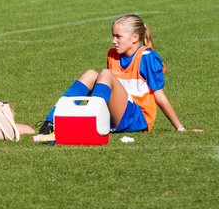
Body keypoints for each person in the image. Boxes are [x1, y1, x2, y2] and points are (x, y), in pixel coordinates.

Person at [36, 13, 192, 138]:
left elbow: (159, 96)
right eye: (113, 36)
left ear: (135, 38)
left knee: (105, 73)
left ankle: (91, 123)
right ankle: (50, 123)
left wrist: (180, 127)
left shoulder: (147, 57)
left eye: (118, 36)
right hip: (117, 113)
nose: (113, 41)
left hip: (137, 118)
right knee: (91, 74)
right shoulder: (112, 55)